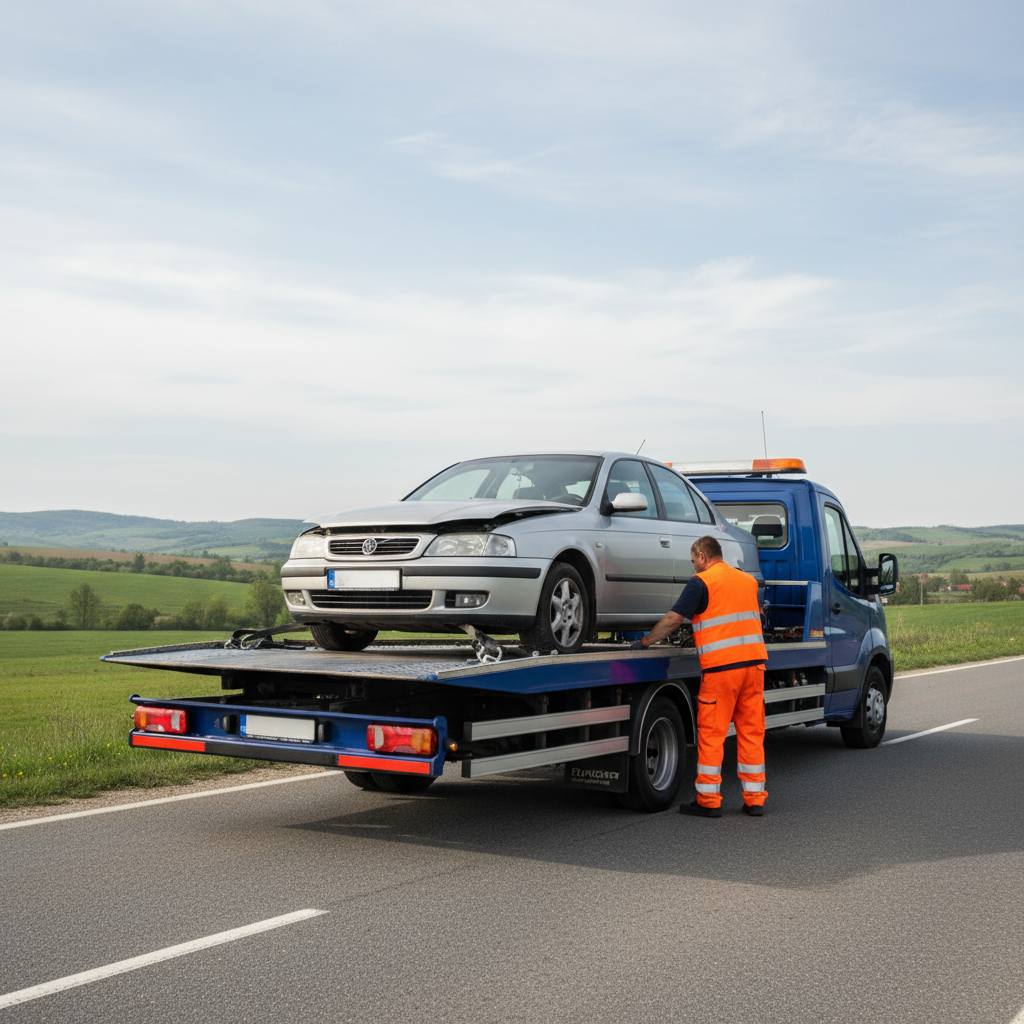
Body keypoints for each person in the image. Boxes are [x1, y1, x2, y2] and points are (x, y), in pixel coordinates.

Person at [631, 535, 768, 818]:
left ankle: (708, 800)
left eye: (693, 561)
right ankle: (755, 799)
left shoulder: (701, 582)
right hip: (754, 667)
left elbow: (673, 619)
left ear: (702, 556)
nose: (693, 566)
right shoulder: (747, 581)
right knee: (751, 733)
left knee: (712, 735)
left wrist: (646, 642)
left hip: (722, 670)